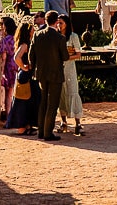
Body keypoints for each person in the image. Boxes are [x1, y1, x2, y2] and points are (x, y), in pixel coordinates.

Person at [29, 10, 69, 141]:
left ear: (45, 21)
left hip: (41, 73)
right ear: (56, 21)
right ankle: (47, 132)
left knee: (43, 102)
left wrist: (35, 67)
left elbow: (31, 55)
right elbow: (65, 56)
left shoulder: (37, 35)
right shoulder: (60, 38)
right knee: (52, 104)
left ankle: (41, 131)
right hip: (55, 73)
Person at [4, 22, 38, 135]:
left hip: (24, 74)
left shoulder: (23, 43)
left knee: (25, 100)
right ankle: (22, 127)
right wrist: (23, 67)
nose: (34, 31)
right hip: (25, 75)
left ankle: (26, 126)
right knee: (23, 101)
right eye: (32, 30)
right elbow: (16, 57)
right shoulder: (25, 45)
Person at [57, 14, 84, 136]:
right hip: (58, 69)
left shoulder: (73, 36)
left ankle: (78, 123)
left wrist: (67, 57)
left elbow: (78, 54)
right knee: (61, 94)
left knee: (73, 91)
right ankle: (63, 121)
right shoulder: (56, 36)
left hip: (70, 69)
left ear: (66, 24)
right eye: (58, 23)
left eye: (61, 23)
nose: (59, 25)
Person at [0, 16, 18, 118]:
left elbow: (3, 56)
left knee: (8, 92)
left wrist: (1, 69)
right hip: (17, 63)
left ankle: (9, 114)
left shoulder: (5, 40)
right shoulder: (17, 37)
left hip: (9, 65)